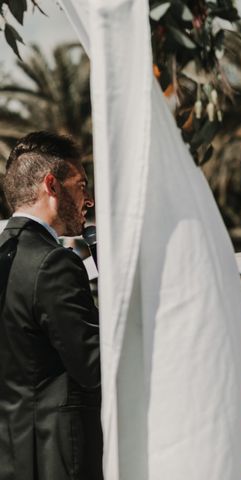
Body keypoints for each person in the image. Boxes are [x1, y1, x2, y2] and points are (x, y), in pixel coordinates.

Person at [0, 131, 101, 480]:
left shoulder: (5, 257)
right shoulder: (54, 263)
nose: (88, 200)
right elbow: (94, 366)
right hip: (57, 458)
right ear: (52, 185)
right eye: (81, 185)